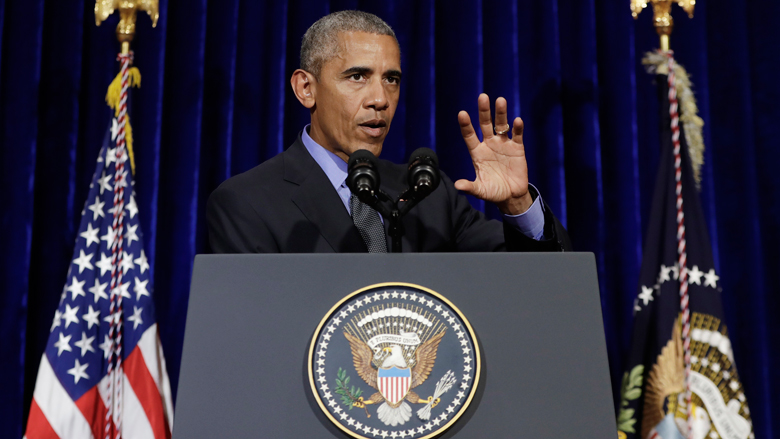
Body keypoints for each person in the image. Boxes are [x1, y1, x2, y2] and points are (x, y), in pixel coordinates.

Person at [207, 10, 571, 253]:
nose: (380, 99)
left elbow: (536, 285)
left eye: (391, 80)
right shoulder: (248, 202)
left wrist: (518, 204)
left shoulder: (429, 193)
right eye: (357, 77)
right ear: (306, 88)